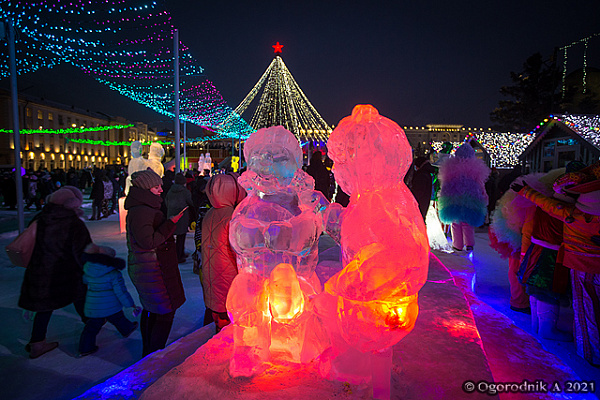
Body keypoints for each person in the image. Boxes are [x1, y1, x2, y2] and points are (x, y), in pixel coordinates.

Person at [513, 163, 600, 364]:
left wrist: (526, 191)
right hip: (552, 257)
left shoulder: (564, 210)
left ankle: (539, 325)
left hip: (541, 253)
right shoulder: (569, 211)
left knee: (538, 290)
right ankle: (547, 328)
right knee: (547, 290)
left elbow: (542, 207)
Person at [19, 186, 92, 358]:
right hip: (67, 272)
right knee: (79, 297)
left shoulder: (39, 218)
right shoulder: (73, 223)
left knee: (45, 306)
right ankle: (91, 324)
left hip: (40, 271)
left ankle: (37, 343)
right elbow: (83, 251)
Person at [125, 169, 186, 356]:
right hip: (153, 268)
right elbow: (148, 242)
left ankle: (149, 353)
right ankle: (154, 357)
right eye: (156, 187)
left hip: (148, 267)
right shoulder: (142, 211)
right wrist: (170, 223)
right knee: (165, 311)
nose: (161, 190)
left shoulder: (143, 207)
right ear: (146, 189)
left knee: (153, 308)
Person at [200, 173, 246, 333]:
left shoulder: (209, 214)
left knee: (217, 315)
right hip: (228, 276)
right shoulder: (233, 217)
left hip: (212, 275)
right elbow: (239, 252)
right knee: (228, 325)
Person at [78, 243, 141, 357]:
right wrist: (130, 304)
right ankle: (127, 329)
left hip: (93, 305)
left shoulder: (88, 269)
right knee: (117, 317)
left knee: (92, 326)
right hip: (111, 304)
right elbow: (120, 291)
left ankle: (85, 347)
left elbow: (85, 281)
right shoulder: (113, 274)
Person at [438, 142, 489, 252]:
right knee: (467, 223)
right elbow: (480, 185)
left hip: (454, 199)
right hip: (470, 199)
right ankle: (469, 244)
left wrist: (443, 198)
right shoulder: (476, 169)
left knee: (456, 223)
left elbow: (445, 185)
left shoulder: (450, 168)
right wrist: (484, 197)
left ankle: (457, 245)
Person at [166, 173, 195, 263]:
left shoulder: (170, 191)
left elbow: (166, 201)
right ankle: (180, 255)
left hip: (171, 215)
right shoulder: (185, 192)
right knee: (181, 237)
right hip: (182, 215)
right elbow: (190, 202)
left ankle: (174, 254)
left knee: (172, 236)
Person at [409, 156, 435, 221]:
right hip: (423, 207)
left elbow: (417, 193)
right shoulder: (427, 174)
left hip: (418, 208)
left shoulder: (421, 175)